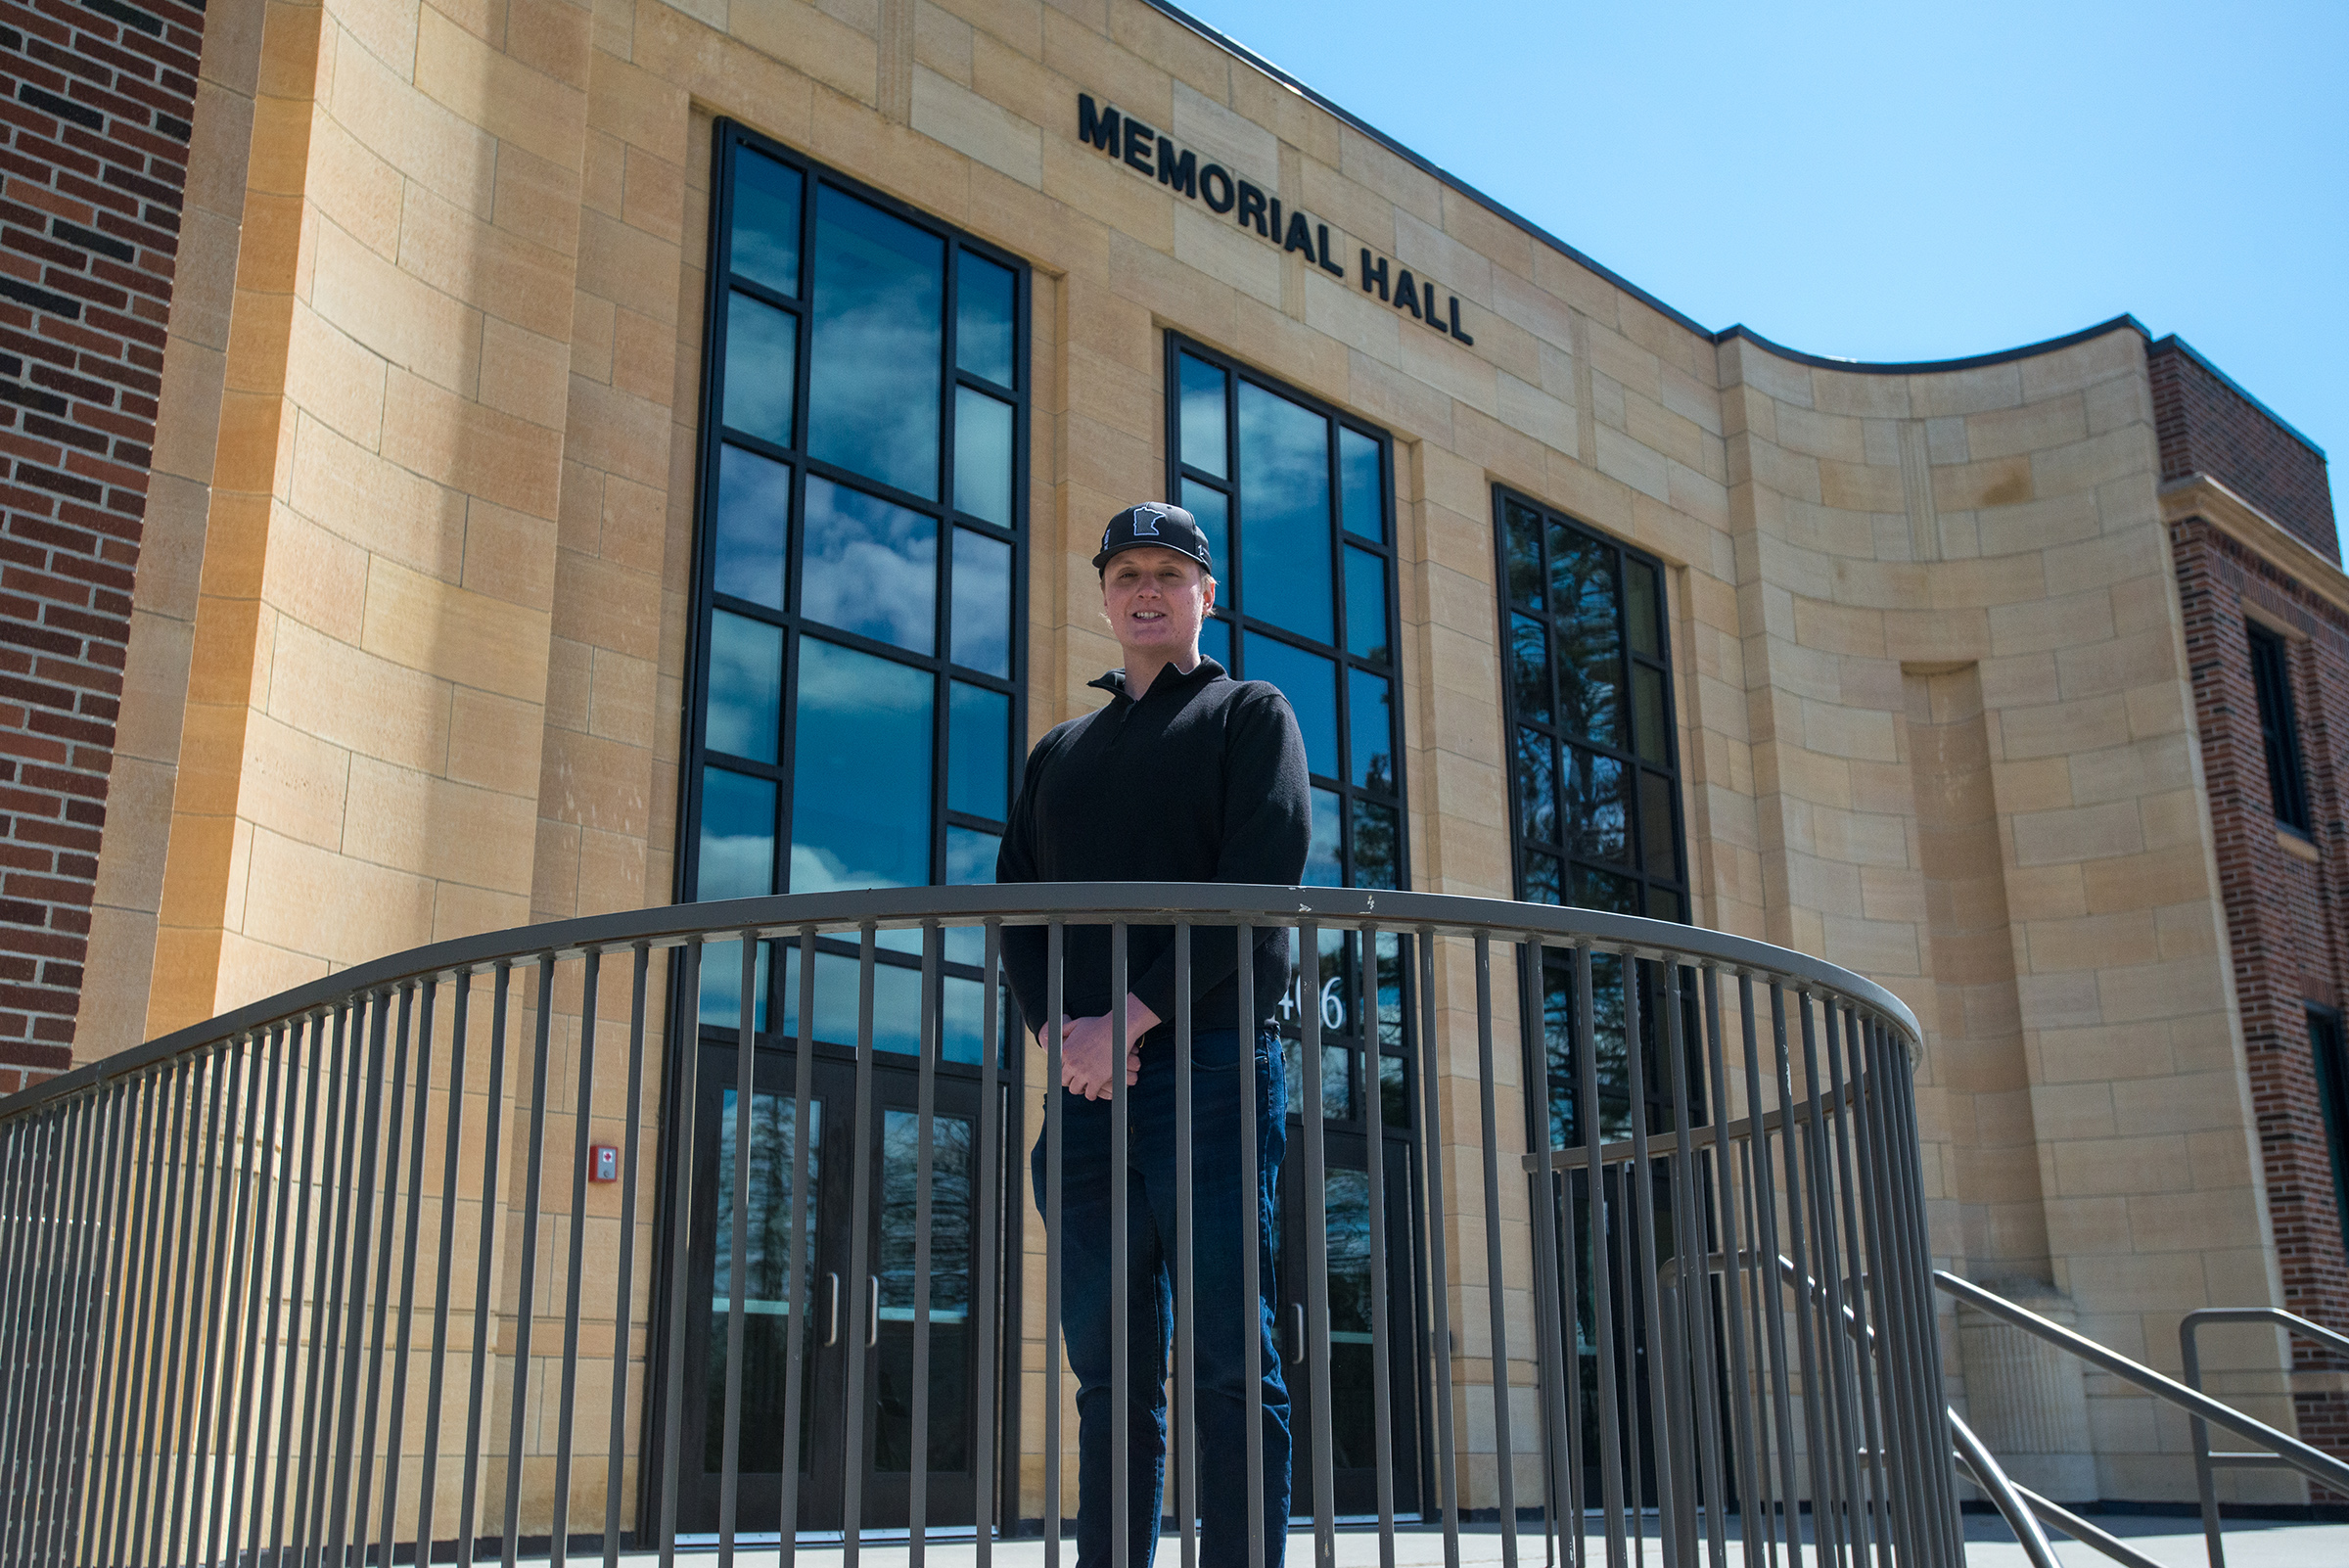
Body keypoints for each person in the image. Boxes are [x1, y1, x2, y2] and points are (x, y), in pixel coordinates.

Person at [997, 502, 1308, 1568]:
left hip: (1213, 1066)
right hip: (1086, 1090)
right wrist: (1061, 1031)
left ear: (1203, 597)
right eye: (1125, 571)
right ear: (1100, 594)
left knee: (1228, 1350)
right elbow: (1016, 902)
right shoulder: (1061, 752)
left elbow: (1260, 874)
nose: (1145, 589)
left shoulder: (1247, 713)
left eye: (1168, 575)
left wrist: (1128, 1015)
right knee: (1111, 1370)